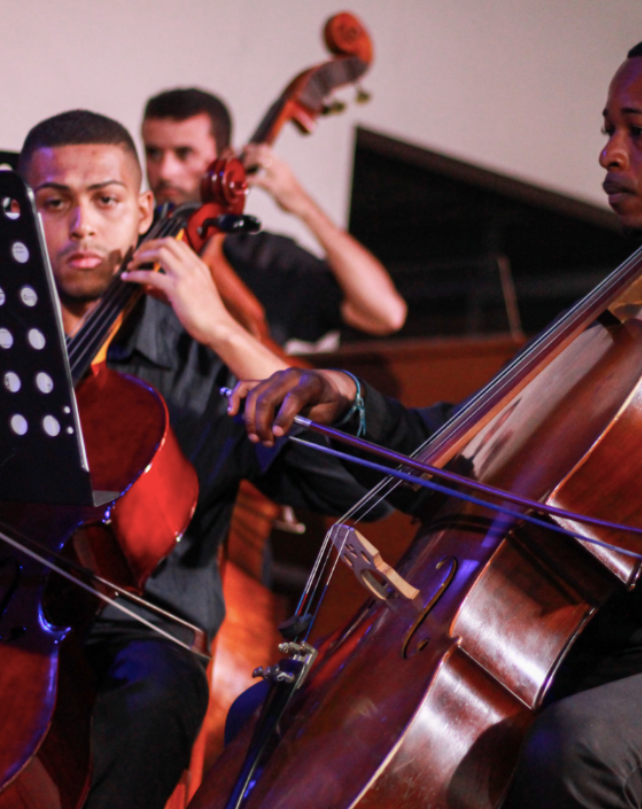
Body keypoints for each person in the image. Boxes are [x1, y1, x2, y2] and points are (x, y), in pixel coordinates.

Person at [230, 18, 642, 807]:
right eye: (609, 129)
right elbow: (467, 452)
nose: (608, 151)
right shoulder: (618, 317)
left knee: (581, 751)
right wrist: (348, 400)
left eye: (638, 130)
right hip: (589, 658)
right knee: (276, 710)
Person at [14, 109, 382, 809]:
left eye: (106, 199)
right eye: (54, 202)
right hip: (14, 614)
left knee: (153, 696)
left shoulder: (201, 361)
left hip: (142, 635)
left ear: (145, 210)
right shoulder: (9, 344)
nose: (82, 225)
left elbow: (350, 483)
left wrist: (220, 329)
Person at [141, 87, 407, 348]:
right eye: (153, 153)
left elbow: (384, 313)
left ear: (225, 159)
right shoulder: (128, 243)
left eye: (184, 153)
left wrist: (302, 205)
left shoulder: (263, 257)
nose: (165, 171)